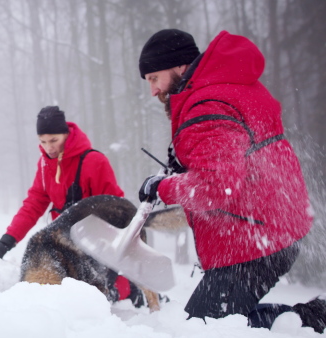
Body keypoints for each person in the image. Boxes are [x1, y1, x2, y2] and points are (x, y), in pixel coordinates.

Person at [137, 28, 325, 332]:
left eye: (153, 78)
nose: (153, 90)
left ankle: (311, 320)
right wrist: (185, 166)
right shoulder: (227, 87)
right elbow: (238, 159)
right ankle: (303, 321)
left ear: (179, 66)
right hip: (272, 228)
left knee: (205, 327)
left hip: (255, 241)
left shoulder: (206, 105)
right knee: (219, 322)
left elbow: (216, 188)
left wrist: (163, 187)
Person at [0, 106, 141, 305]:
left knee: (98, 296)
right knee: (64, 295)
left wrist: (115, 254)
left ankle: (131, 290)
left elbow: (117, 208)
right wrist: (7, 240)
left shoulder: (93, 161)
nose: (49, 148)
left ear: (66, 135)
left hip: (97, 243)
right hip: (64, 242)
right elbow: (33, 204)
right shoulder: (45, 166)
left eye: (54, 140)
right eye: (43, 142)